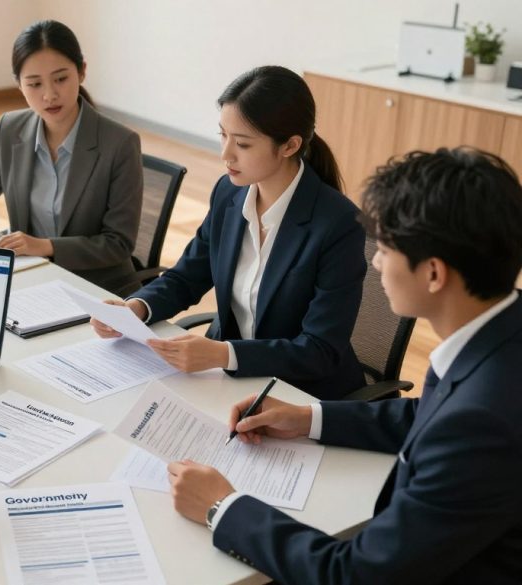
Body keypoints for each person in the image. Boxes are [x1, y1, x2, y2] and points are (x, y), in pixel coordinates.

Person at [170, 148, 522, 584]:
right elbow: (429, 414)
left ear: (433, 274)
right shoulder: (500, 329)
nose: (375, 262)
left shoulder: (483, 422)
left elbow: (354, 574)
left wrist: (222, 507)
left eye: (386, 249)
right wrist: (309, 418)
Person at [92, 66, 365, 399]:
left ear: (290, 146)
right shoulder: (229, 193)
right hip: (230, 382)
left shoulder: (338, 224)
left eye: (243, 144)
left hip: (299, 394)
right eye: (223, 135)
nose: (225, 155)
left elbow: (319, 350)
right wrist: (137, 308)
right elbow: (186, 276)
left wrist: (224, 354)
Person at [0, 20, 143, 295]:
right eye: (34, 84)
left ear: (82, 71)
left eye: (61, 79)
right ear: (19, 85)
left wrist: (45, 246)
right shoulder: (10, 129)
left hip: (100, 291)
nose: (49, 95)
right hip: (31, 281)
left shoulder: (119, 144)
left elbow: (118, 244)